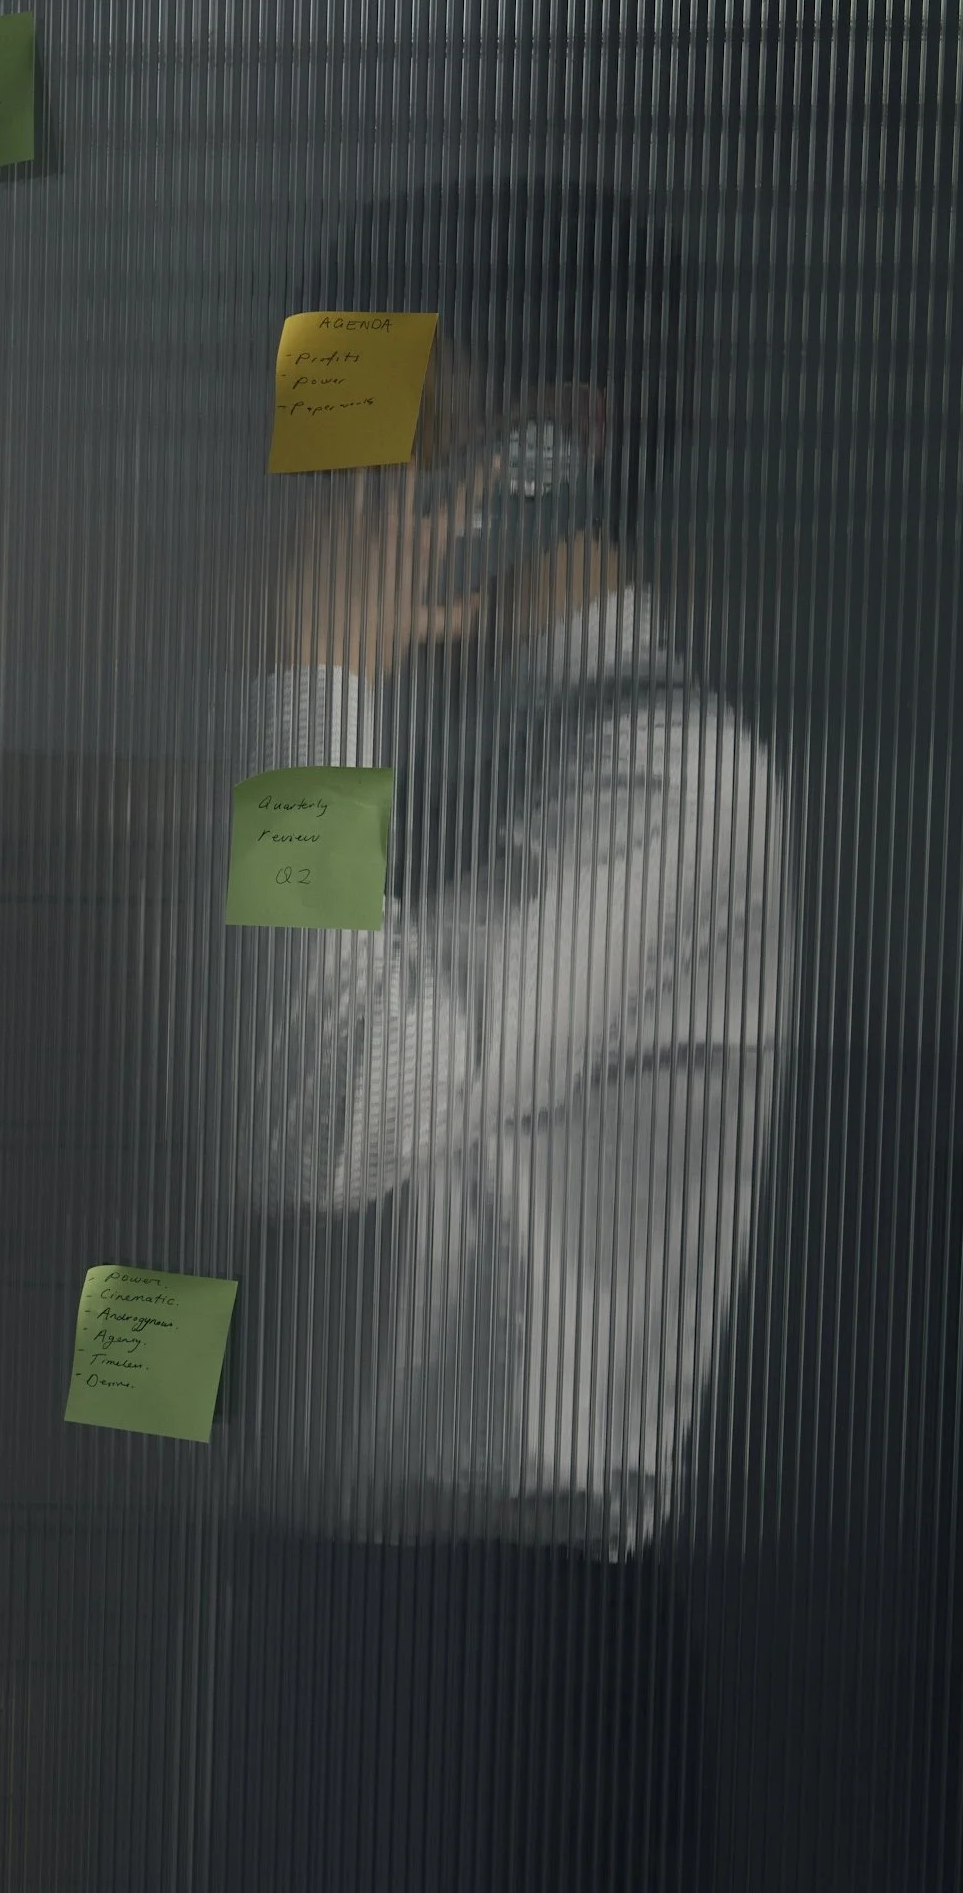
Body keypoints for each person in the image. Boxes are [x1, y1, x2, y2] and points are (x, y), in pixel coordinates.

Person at [212, 177, 793, 1891]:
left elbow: (322, 1124)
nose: (327, 501)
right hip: (314, 1635)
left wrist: (312, 689)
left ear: (551, 449)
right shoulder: (390, 757)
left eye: (383, 427)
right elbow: (225, 1156)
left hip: (505, 1683)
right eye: (310, 443)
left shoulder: (673, 789)